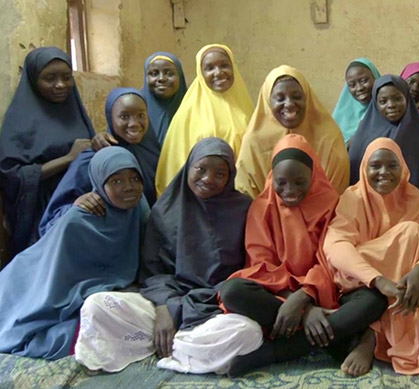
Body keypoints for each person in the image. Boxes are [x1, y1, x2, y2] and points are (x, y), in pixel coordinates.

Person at [74, 137, 258, 373]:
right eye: (200, 169)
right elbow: (154, 271)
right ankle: (187, 348)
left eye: (219, 174)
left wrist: (201, 302)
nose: (208, 179)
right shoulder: (165, 210)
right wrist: (164, 309)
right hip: (168, 299)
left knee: (247, 333)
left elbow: (250, 269)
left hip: (216, 307)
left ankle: (171, 346)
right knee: (96, 305)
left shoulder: (244, 209)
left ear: (230, 176)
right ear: (188, 167)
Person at [220, 135, 388, 378]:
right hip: (280, 295)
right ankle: (337, 338)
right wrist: (304, 309)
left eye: (300, 182)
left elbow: (330, 259)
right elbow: (260, 263)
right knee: (232, 291)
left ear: (314, 175)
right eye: (282, 182)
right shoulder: (261, 206)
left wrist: (305, 296)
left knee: (374, 298)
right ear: (272, 177)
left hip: (327, 290)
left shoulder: (331, 202)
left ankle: (275, 352)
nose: (290, 191)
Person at [0, 147, 145, 359]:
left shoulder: (140, 210)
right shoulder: (80, 220)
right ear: (99, 184)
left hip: (82, 287)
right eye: (116, 181)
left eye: (135, 179)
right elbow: (54, 283)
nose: (128, 187)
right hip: (33, 285)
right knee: (75, 333)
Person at [325, 138, 419, 375]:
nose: (383, 172)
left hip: (397, 277)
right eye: (375, 166)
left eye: (392, 166)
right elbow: (335, 246)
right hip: (355, 276)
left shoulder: (412, 196)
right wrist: (377, 279)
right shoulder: (353, 197)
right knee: (410, 232)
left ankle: (371, 337)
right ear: (364, 168)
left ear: (403, 168)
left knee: (413, 233)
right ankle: (372, 339)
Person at [0, 47, 94, 255]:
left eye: (66, 77)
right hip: (40, 212)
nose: (60, 85)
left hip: (80, 201)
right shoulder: (19, 121)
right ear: (34, 80)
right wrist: (67, 159)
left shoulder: (74, 111)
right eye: (49, 78)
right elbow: (12, 176)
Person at [39, 87, 160, 236]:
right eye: (124, 116)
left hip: (147, 238)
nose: (134, 123)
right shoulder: (94, 157)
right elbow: (54, 216)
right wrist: (79, 204)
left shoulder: (154, 151)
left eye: (141, 115)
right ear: (110, 117)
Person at [154, 44, 254, 195]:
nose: (218, 73)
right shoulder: (187, 113)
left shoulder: (246, 109)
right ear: (200, 73)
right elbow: (174, 166)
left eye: (224, 66)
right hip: (199, 199)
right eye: (209, 68)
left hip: (240, 200)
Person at [235, 65, 349, 197]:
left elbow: (335, 194)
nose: (289, 104)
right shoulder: (254, 141)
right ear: (267, 100)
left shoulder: (329, 137)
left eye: (296, 96)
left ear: (307, 97)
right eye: (280, 98)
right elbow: (246, 191)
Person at [348, 75, 419, 189]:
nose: (391, 105)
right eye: (383, 101)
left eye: (398, 99)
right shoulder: (363, 137)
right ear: (375, 103)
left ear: (407, 99)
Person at [141, 52, 188, 146]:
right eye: (154, 74)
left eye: (169, 74)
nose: (161, 79)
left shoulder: (194, 109)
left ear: (180, 77)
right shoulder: (134, 109)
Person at [332, 58, 381, 144]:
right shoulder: (338, 120)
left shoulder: (389, 110)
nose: (359, 88)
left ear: (375, 77)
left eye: (364, 81)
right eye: (352, 85)